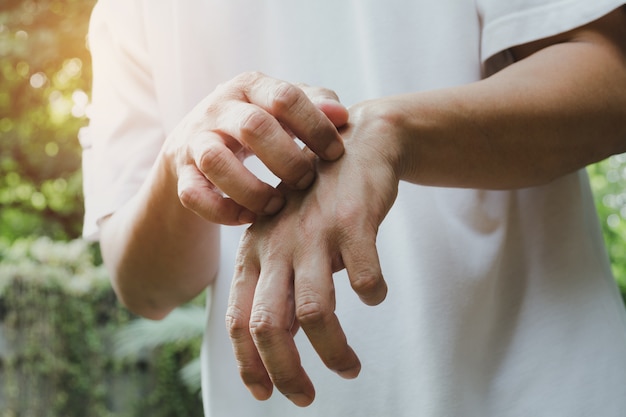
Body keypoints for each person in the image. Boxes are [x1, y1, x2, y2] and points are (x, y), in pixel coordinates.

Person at [82, 1, 626, 416]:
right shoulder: (123, 14)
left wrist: (389, 133)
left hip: (539, 391)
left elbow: (611, 73)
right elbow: (144, 285)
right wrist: (183, 158)